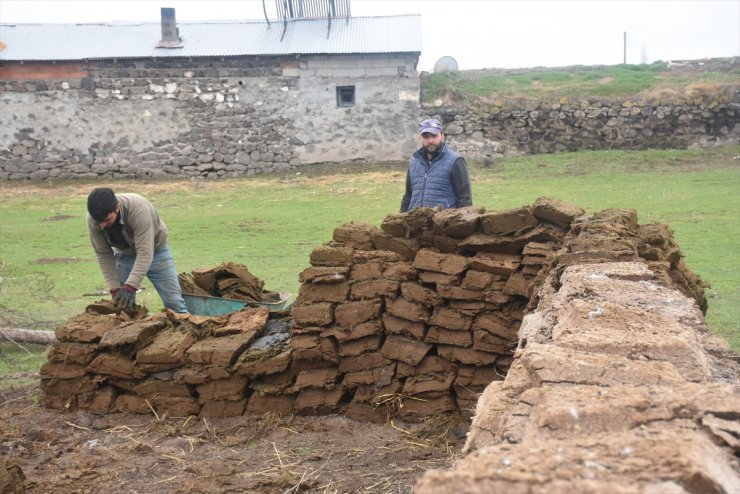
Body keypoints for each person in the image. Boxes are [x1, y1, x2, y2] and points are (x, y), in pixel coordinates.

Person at [86, 187, 189, 313]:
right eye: (99, 222)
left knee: (174, 302)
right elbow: (103, 254)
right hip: (125, 254)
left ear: (117, 207)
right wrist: (115, 288)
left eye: (107, 220)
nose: (102, 225)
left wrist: (130, 287)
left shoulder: (138, 209)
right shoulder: (93, 219)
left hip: (156, 252)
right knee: (124, 307)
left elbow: (145, 252)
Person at [400, 117, 473, 212]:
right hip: (416, 223)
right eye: (426, 136)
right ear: (420, 138)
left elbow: (465, 199)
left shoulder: (455, 161)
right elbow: (408, 197)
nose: (430, 140)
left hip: (444, 224)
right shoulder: (414, 162)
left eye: (434, 136)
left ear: (442, 136)